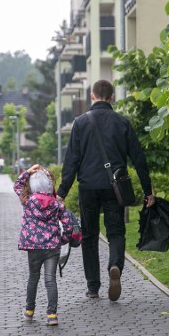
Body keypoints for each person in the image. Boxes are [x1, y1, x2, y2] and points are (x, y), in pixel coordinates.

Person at [56, 79, 154, 301]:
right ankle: (115, 265)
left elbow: (71, 161)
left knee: (89, 235)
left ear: (92, 96)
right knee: (116, 231)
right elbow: (139, 159)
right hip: (115, 187)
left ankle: (93, 287)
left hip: (88, 187)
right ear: (112, 97)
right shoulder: (123, 123)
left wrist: (61, 192)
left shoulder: (80, 123)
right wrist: (148, 191)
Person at [15, 163, 74, 325]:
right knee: (50, 280)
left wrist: (27, 172)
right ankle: (52, 315)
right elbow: (68, 223)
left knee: (33, 277)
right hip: (52, 247)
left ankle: (29, 311)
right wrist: (63, 239)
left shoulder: (27, 201)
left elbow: (17, 186)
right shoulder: (56, 204)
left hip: (33, 247)